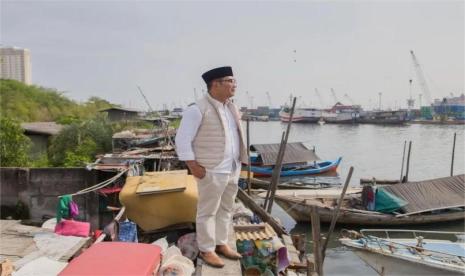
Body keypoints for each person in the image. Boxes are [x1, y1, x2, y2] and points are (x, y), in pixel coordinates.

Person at [175, 66, 248, 268]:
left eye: (234, 81)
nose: (235, 84)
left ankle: (221, 243)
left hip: (232, 168)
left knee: (226, 209)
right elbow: (182, 141)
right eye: (230, 81)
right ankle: (207, 249)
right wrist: (193, 166)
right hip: (211, 170)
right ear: (215, 84)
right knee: (207, 211)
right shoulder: (197, 109)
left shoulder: (230, 107)